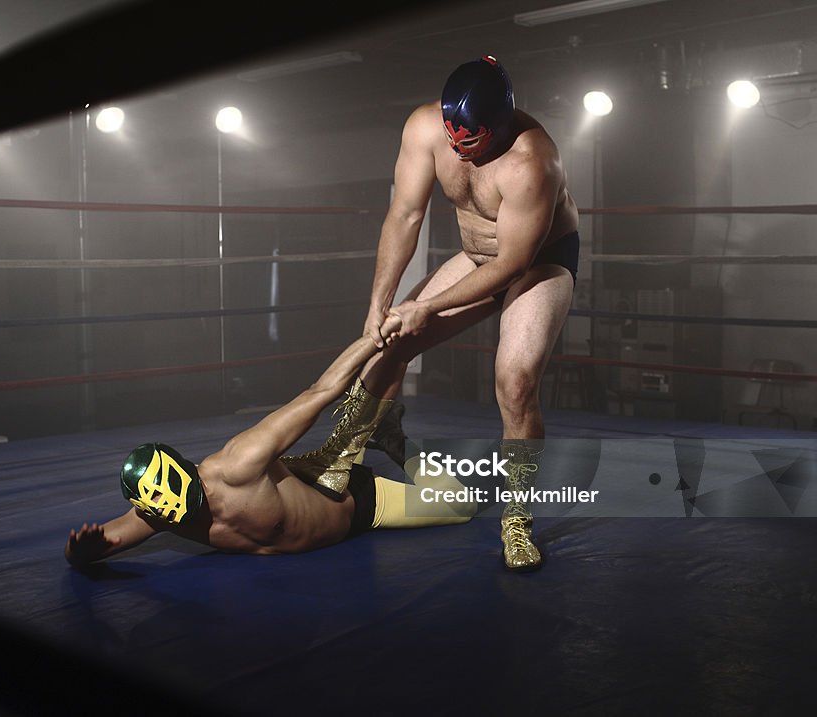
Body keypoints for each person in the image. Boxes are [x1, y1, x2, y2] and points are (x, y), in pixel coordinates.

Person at [354, 55, 581, 571]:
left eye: (472, 143)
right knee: (390, 339)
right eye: (454, 140)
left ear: (499, 129)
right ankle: (366, 441)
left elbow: (513, 262)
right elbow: (406, 214)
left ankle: (517, 520)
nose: (460, 152)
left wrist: (427, 305)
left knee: (515, 380)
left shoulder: (533, 159)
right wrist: (380, 304)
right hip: (478, 257)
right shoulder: (425, 128)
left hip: (536, 263)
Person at [64, 316, 473, 568]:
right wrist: (79, 554)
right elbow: (104, 542)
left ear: (189, 475)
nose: (183, 522)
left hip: (354, 504)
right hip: (308, 479)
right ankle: (363, 438)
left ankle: (396, 442)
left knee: (461, 508)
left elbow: (319, 392)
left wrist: (374, 338)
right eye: (174, 519)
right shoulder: (160, 512)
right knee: (335, 451)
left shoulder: (240, 461)